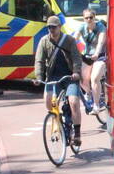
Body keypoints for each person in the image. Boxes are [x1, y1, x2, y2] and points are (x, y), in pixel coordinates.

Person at [34, 15, 84, 148]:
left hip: (69, 77)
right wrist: (39, 77)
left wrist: (76, 72)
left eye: (54, 27)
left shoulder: (69, 40)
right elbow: (39, 61)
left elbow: (76, 58)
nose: (51, 29)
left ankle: (77, 134)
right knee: (48, 102)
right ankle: (58, 121)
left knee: (73, 102)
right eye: (49, 27)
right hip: (52, 77)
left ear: (59, 27)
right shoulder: (44, 41)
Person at [79, 8, 107, 112]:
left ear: (94, 17)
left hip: (100, 56)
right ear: (83, 19)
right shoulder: (82, 27)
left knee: (94, 78)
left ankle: (96, 105)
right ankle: (89, 94)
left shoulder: (100, 27)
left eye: (91, 17)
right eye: (86, 18)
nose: (89, 20)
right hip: (87, 55)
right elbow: (73, 39)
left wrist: (96, 53)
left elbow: (100, 42)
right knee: (82, 79)